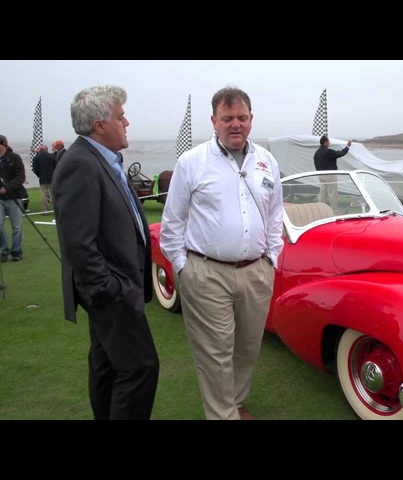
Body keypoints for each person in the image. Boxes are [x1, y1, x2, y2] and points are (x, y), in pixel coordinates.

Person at [160, 86, 284, 420]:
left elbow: (275, 215)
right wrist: (183, 267)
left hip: (257, 270)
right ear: (214, 121)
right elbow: (173, 222)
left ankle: (235, 403)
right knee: (215, 353)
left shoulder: (266, 161)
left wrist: (272, 258)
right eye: (227, 118)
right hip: (206, 272)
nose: (235, 124)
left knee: (247, 347)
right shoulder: (192, 162)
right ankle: (222, 415)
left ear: (251, 120)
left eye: (241, 117)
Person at [52, 85, 159, 420]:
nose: (126, 122)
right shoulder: (80, 164)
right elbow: (78, 243)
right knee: (141, 368)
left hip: (116, 288)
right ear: (99, 125)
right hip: (111, 292)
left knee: (108, 366)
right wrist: (109, 289)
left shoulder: (103, 159)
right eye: (119, 116)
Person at [0, 134, 28, 262]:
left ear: (4, 144)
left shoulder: (14, 158)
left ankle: (16, 251)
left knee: (16, 227)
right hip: (0, 199)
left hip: (14, 197)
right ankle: (4, 250)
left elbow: (21, 177)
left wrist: (7, 187)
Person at [313, 135, 351, 213]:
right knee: (332, 193)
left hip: (321, 175)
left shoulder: (317, 153)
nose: (329, 142)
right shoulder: (328, 152)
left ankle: (319, 210)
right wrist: (347, 147)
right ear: (325, 142)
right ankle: (334, 211)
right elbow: (340, 153)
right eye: (328, 141)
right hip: (330, 175)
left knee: (323, 193)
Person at [31, 144, 57, 214]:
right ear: (47, 149)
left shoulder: (36, 158)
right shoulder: (52, 156)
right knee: (54, 193)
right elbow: (56, 166)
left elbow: (35, 169)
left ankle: (45, 211)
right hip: (52, 177)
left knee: (44, 194)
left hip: (42, 177)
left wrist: (39, 175)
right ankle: (56, 209)